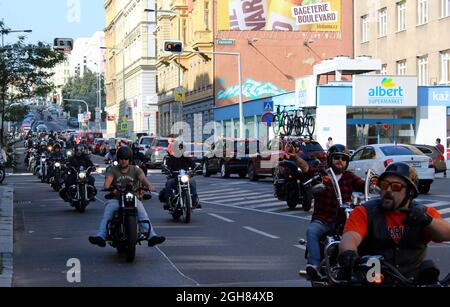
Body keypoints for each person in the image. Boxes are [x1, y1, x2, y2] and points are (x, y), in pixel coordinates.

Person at [339, 162, 450, 283]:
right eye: (384, 185)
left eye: (396, 186)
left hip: (412, 281)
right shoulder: (364, 211)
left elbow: (446, 233)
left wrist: (427, 221)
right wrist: (349, 252)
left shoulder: (424, 213)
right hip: (373, 280)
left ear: (410, 192)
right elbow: (350, 237)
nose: (388, 190)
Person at [287, 144, 365, 280]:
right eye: (336, 158)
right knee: (312, 231)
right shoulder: (322, 173)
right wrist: (295, 157)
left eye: (343, 158)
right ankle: (315, 265)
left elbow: (365, 186)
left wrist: (379, 184)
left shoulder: (350, 177)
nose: (340, 161)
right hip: (323, 219)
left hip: (343, 221)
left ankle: (360, 268)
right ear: (330, 159)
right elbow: (306, 168)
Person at [88, 146, 165, 248]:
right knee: (108, 212)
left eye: (126, 159)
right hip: (117, 199)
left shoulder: (135, 170)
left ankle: (152, 236)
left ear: (129, 159)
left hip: (133, 198)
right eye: (121, 159)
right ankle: (101, 237)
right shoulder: (113, 170)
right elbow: (107, 183)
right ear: (118, 159)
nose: (123, 161)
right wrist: (109, 187)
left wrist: (149, 186)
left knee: (142, 213)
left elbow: (143, 179)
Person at [163, 141, 201, 210]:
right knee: (168, 183)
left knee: (192, 182)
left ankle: (195, 200)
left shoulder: (186, 158)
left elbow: (193, 165)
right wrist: (166, 169)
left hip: (185, 178)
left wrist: (196, 168)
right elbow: (167, 167)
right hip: (174, 178)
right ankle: (168, 202)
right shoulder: (172, 158)